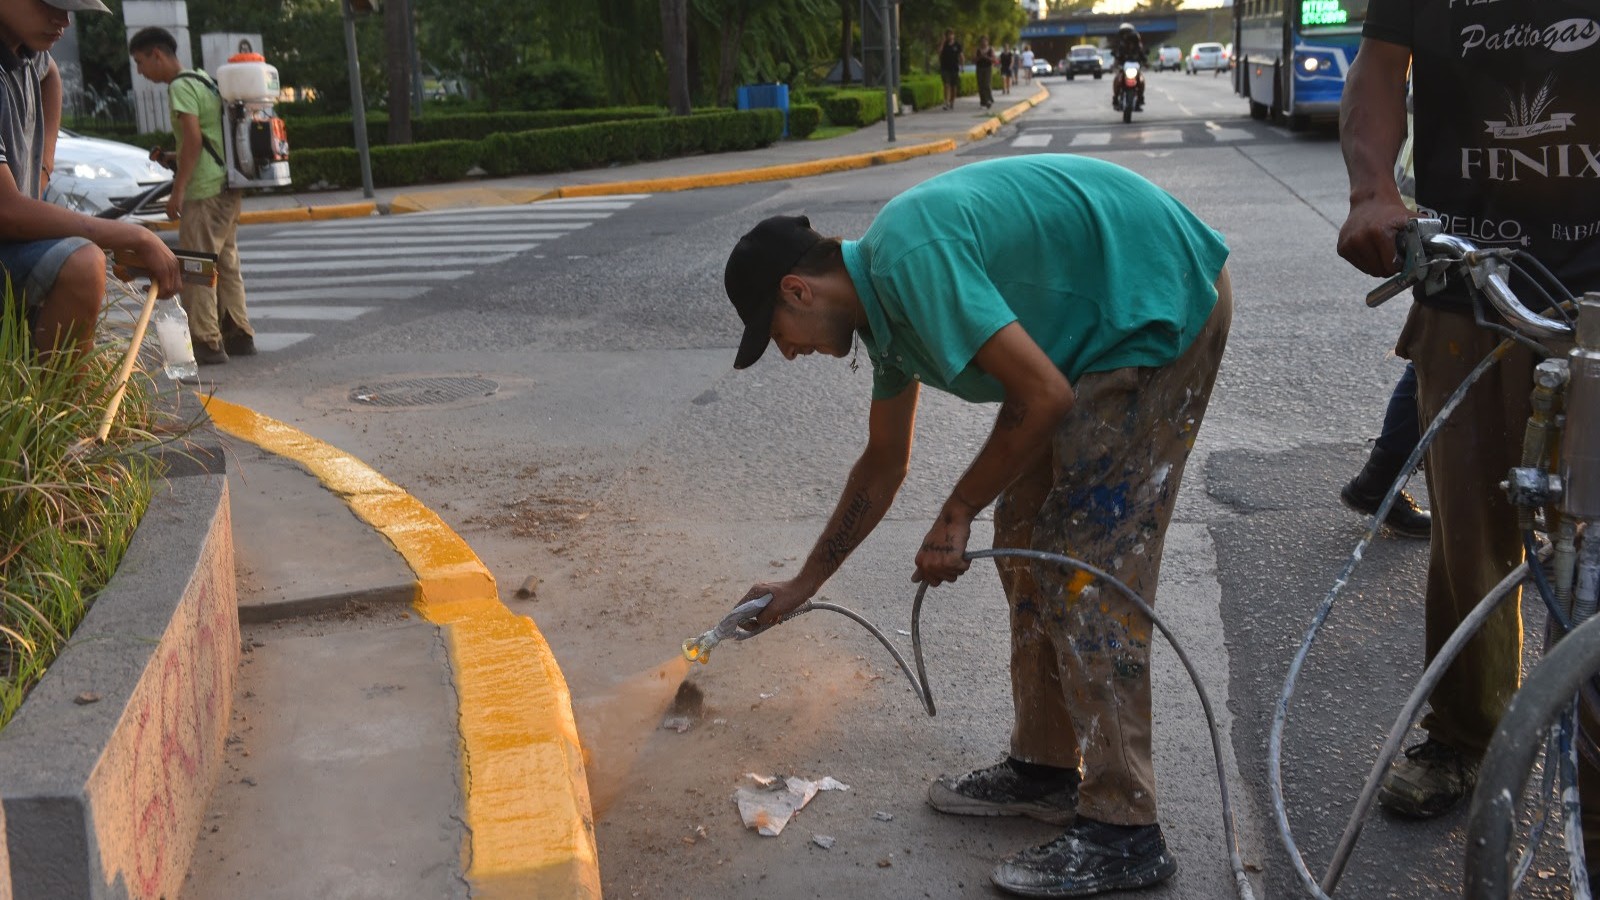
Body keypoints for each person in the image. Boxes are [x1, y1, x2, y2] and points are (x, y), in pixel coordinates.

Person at [723, 154, 1232, 897]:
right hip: (1091, 337)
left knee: (1084, 562)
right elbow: (883, 464)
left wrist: (957, 512)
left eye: (778, 335)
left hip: (1156, 304)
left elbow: (1044, 395)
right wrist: (803, 585)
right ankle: (1047, 765)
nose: (790, 352)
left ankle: (1127, 829)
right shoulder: (887, 316)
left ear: (797, 290)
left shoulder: (910, 257)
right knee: (1026, 536)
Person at [1336, 0, 1600, 826]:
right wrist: (1373, 189)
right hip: (1471, 279)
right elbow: (1381, 67)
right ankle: (1464, 736)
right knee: (1469, 531)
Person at [0, 0, 179, 362]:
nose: (64, 20)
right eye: (51, 5)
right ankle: (53, 413)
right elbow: (6, 210)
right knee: (82, 263)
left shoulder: (24, 49)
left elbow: (51, 76)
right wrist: (134, 235)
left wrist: (42, 170)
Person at [129, 26, 255, 365]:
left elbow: (195, 141)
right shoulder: (202, 79)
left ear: (157, 54)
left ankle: (206, 341)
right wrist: (174, 157)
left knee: (198, 267)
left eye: (141, 62)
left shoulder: (181, 87)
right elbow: (200, 140)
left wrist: (177, 192)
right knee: (226, 262)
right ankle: (239, 334)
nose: (140, 71)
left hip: (204, 191)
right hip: (227, 186)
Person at [1110, 23, 1145, 111]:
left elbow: (1142, 55)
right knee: (1117, 79)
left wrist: (1145, 60)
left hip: (1135, 67)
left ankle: (1140, 98)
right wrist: (1116, 62)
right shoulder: (1121, 46)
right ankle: (1115, 98)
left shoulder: (1138, 46)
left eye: (1128, 33)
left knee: (1141, 80)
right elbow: (1117, 55)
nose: (1126, 35)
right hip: (1124, 67)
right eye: (1124, 33)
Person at [938, 29, 962, 111]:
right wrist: (942, 42)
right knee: (946, 85)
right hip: (945, 68)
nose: (950, 36)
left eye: (951, 34)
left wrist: (962, 67)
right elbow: (939, 52)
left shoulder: (957, 45)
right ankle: (946, 102)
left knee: (953, 87)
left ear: (953, 35)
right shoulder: (944, 44)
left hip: (954, 68)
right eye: (948, 35)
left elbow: (961, 56)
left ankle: (952, 101)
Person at [974, 36, 996, 111]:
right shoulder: (977, 50)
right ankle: (983, 101)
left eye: (985, 41)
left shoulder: (990, 49)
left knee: (987, 84)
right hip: (979, 68)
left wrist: (987, 57)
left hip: (987, 68)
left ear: (987, 42)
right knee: (980, 85)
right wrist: (979, 57)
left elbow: (994, 59)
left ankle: (989, 100)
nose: (983, 43)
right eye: (982, 41)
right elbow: (973, 59)